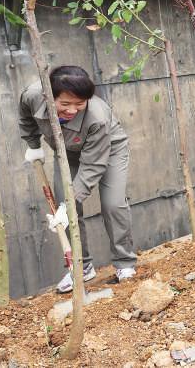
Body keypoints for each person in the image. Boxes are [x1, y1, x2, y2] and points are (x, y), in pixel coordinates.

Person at [19, 66, 136, 293]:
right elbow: (25, 116)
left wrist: (69, 203)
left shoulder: (97, 117)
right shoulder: (32, 95)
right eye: (65, 104)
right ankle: (81, 267)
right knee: (65, 209)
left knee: (113, 204)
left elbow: (93, 165)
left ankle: (124, 263)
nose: (72, 110)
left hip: (108, 149)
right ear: (48, 96)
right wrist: (33, 144)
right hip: (67, 152)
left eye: (79, 103)